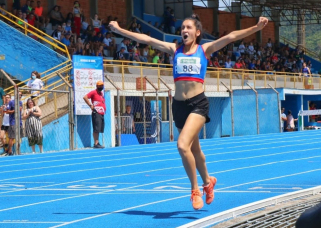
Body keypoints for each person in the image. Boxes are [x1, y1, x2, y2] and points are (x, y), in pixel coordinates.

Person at [109, 14, 268, 210]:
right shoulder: (174, 49)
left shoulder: (204, 49)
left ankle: (195, 189)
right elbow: (147, 39)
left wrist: (257, 28)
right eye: (182, 28)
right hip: (179, 106)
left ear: (197, 32)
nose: (184, 30)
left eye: (188, 28)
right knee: (195, 150)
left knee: (182, 145)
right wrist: (119, 30)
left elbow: (231, 36)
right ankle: (209, 182)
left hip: (198, 104)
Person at [83, 81, 106, 149]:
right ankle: (96, 143)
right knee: (96, 128)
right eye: (99, 86)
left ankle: (97, 142)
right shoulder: (93, 92)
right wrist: (90, 105)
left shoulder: (101, 93)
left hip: (101, 113)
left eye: (102, 85)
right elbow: (85, 97)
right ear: (97, 86)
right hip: (96, 112)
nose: (101, 87)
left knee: (99, 128)